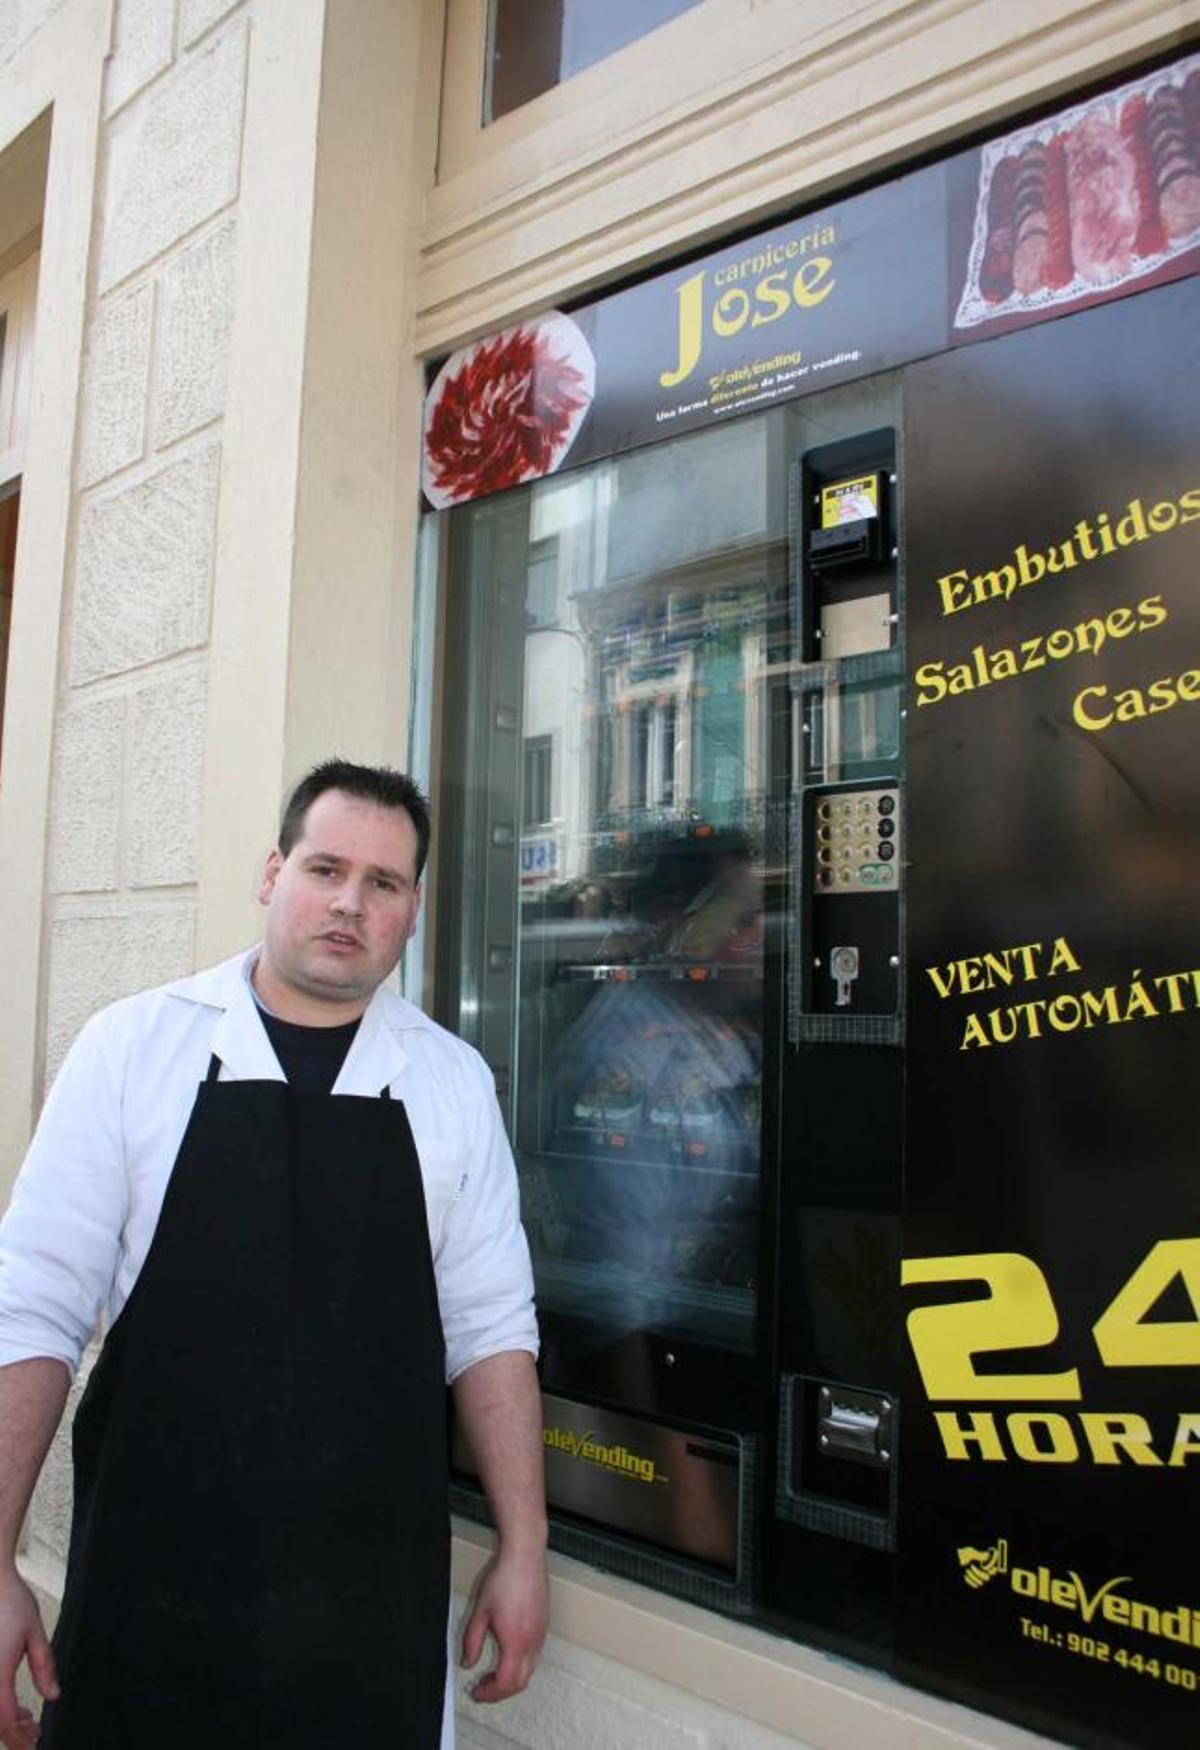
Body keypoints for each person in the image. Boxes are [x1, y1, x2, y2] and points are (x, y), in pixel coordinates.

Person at [0, 760, 548, 1750]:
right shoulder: (133, 1049)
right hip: (149, 1585)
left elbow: (491, 1329)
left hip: (365, 1608)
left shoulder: (453, 1084)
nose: (349, 901)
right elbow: (32, 1309)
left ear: (413, 911)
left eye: (384, 883)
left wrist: (525, 1546)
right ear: (271, 873)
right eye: (325, 866)